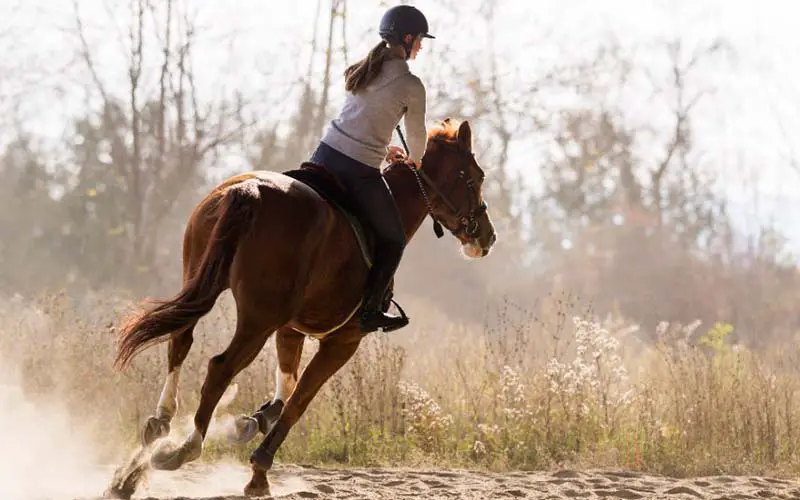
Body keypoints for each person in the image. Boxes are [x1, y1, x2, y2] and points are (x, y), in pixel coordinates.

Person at [309, 4, 434, 333]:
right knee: (394, 239)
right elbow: (418, 135)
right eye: (420, 39)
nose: (421, 46)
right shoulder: (412, 84)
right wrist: (415, 159)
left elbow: (362, 122)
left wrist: (384, 150)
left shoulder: (365, 69)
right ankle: (370, 310)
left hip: (323, 156)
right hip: (358, 170)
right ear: (407, 39)